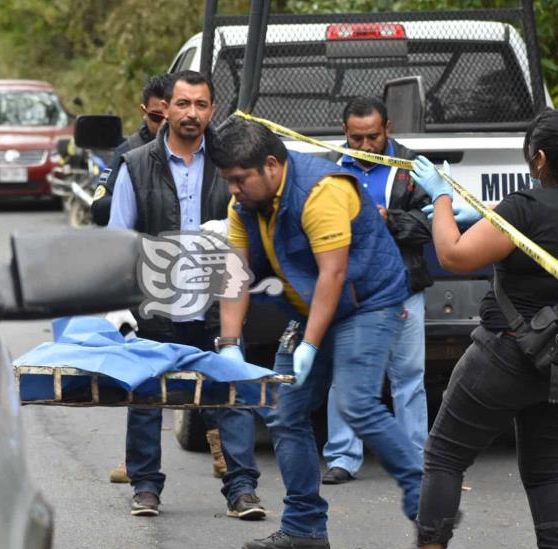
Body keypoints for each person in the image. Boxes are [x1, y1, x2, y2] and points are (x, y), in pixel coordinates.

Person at [210, 117, 422, 549]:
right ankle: (304, 528)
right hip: (312, 306)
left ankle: (428, 499)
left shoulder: (320, 191)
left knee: (358, 404)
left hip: (367, 302)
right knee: (285, 414)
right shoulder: (243, 207)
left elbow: (334, 273)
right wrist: (229, 346)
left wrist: (309, 343)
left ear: (271, 166)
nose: (232, 189)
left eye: (238, 179)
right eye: (227, 180)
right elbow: (234, 277)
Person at [411, 108, 558, 549]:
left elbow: (454, 254)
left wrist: (442, 199)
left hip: (504, 358)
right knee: (546, 473)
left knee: (444, 455)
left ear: (540, 160)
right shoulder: (522, 214)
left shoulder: (525, 208)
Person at [108, 70, 265, 521]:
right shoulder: (136, 165)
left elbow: (253, 225)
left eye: (200, 105)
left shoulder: (229, 161)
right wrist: (120, 306)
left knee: (228, 393)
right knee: (145, 396)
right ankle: (145, 487)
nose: (191, 114)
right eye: (182, 104)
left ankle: (242, 491)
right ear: (166, 108)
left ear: (211, 110)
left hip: (218, 303)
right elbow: (119, 240)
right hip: (155, 302)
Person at [322, 97, 432, 485]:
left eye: (373, 137)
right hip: (351, 293)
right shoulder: (329, 170)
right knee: (346, 376)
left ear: (387, 128)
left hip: (402, 288)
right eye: (357, 138)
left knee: (408, 377)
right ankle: (342, 457)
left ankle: (413, 458)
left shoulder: (411, 168)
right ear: (344, 133)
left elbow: (431, 225)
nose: (366, 146)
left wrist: (389, 219)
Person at [93, 73, 171, 227]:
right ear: (144, 112)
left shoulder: (205, 150)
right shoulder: (129, 152)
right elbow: (99, 208)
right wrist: (139, 198)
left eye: (170, 117)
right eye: (156, 116)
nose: (164, 124)